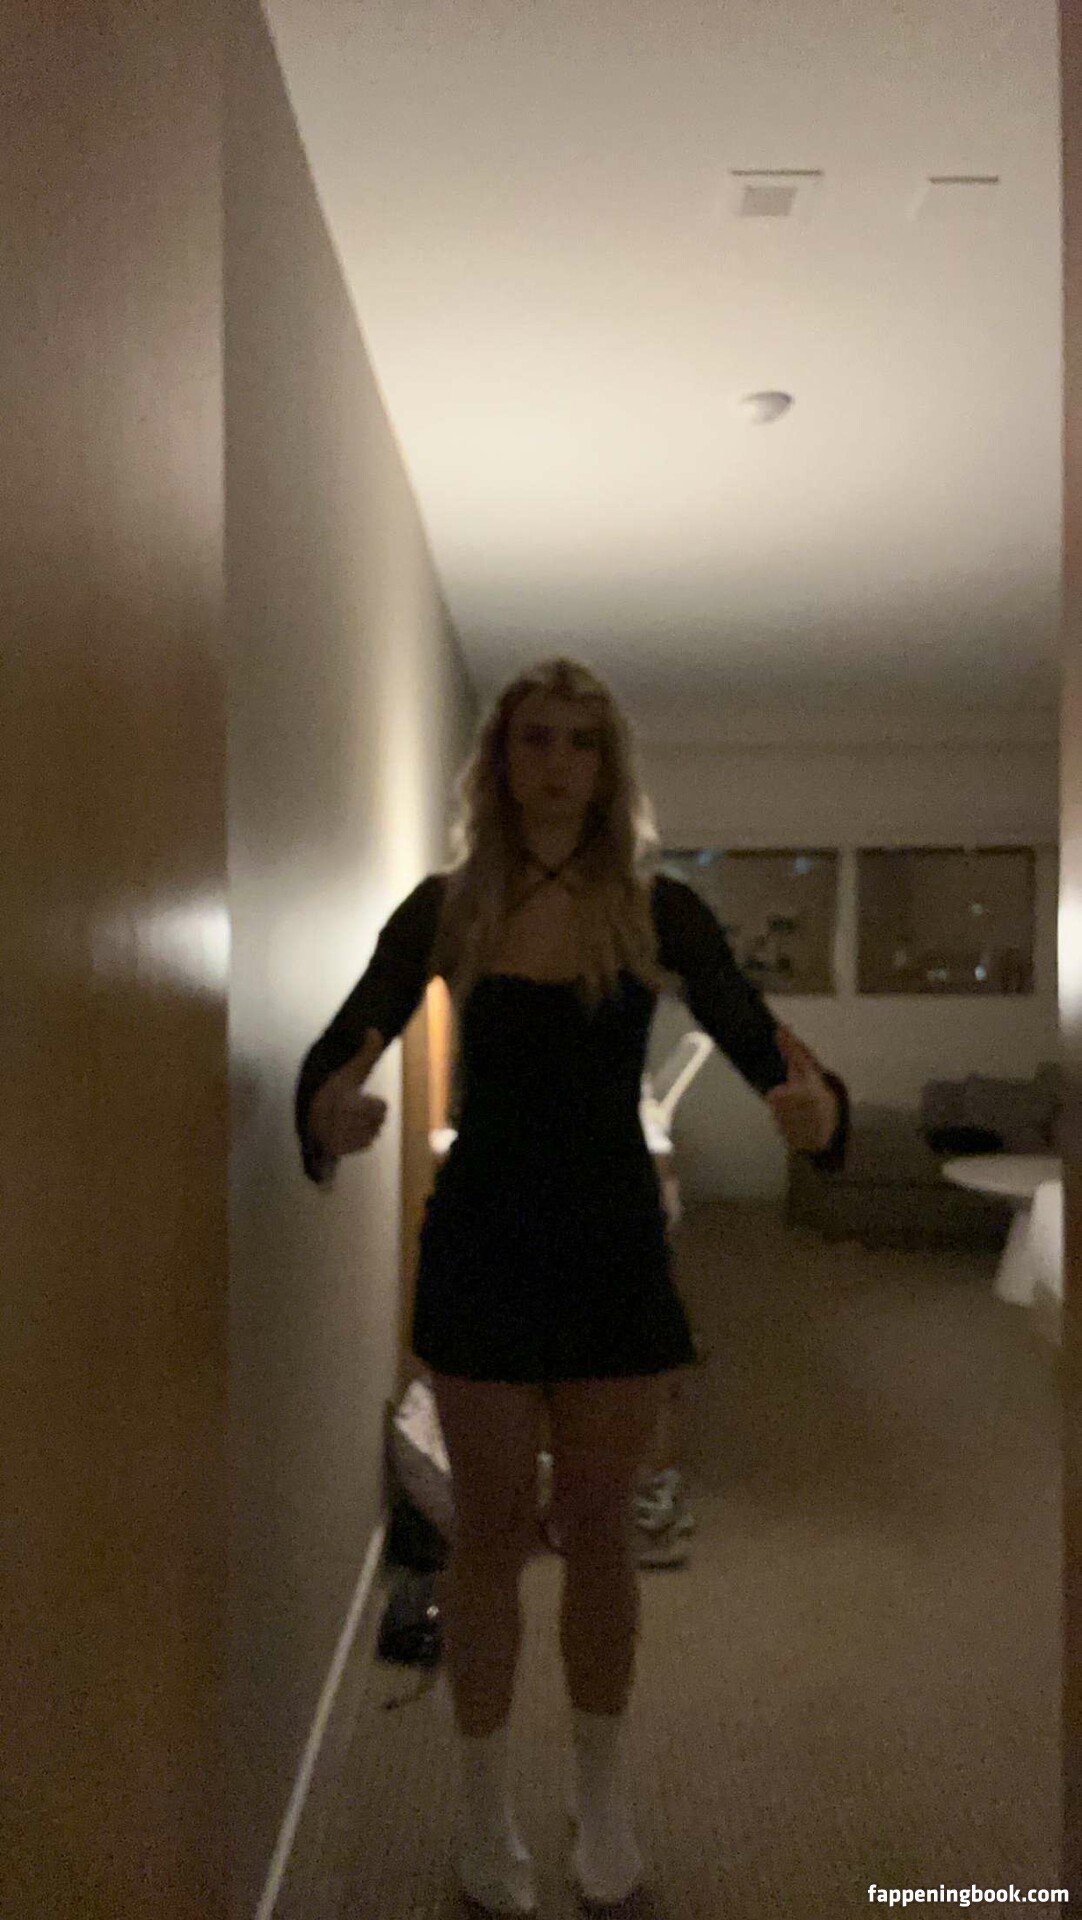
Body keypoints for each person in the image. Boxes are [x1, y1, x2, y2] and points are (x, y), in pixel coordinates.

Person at [294, 657, 849, 1916]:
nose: (556, 763)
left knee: (599, 1528)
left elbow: (759, 1038)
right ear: (500, 761)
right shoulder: (447, 908)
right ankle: (482, 1807)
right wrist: (330, 1105)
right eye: (534, 739)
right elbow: (348, 1035)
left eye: (580, 743)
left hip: (610, 1243)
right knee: (488, 1535)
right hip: (483, 1240)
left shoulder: (656, 911)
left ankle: (599, 1795)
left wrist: (812, 1109)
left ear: (607, 768)